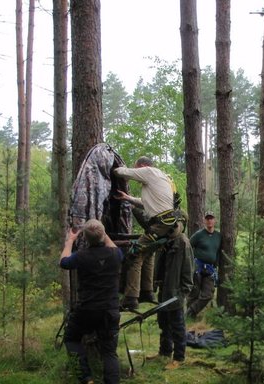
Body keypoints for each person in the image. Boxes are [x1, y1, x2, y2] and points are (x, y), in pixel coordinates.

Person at [113, 155, 182, 310]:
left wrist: (112, 168)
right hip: (171, 223)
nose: (137, 172)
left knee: (134, 254)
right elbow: (148, 204)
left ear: (143, 166)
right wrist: (127, 198)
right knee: (148, 253)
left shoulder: (149, 172)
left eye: (137, 168)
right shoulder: (163, 178)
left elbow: (123, 172)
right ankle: (147, 292)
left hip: (161, 225)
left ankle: (131, 299)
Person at [59, 219, 123, 384]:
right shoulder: (116, 255)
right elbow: (112, 246)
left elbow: (64, 262)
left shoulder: (81, 256)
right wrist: (101, 231)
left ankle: (86, 378)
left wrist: (70, 241)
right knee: (109, 352)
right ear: (103, 235)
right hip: (110, 310)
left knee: (71, 339)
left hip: (87, 310)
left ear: (85, 239)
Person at [153, 225, 195, 370]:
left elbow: (188, 272)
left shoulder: (183, 242)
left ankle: (179, 357)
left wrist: (182, 293)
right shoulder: (164, 240)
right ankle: (164, 352)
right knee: (163, 323)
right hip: (163, 289)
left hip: (175, 292)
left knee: (177, 326)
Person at [187, 211, 222, 319]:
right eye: (207, 219)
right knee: (194, 292)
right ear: (204, 220)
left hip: (210, 269)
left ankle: (189, 311)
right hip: (198, 267)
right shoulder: (199, 235)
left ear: (214, 220)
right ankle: (190, 317)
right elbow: (188, 246)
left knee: (208, 295)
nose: (209, 221)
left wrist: (216, 265)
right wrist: (191, 262)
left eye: (211, 218)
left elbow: (218, 252)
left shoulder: (218, 236)